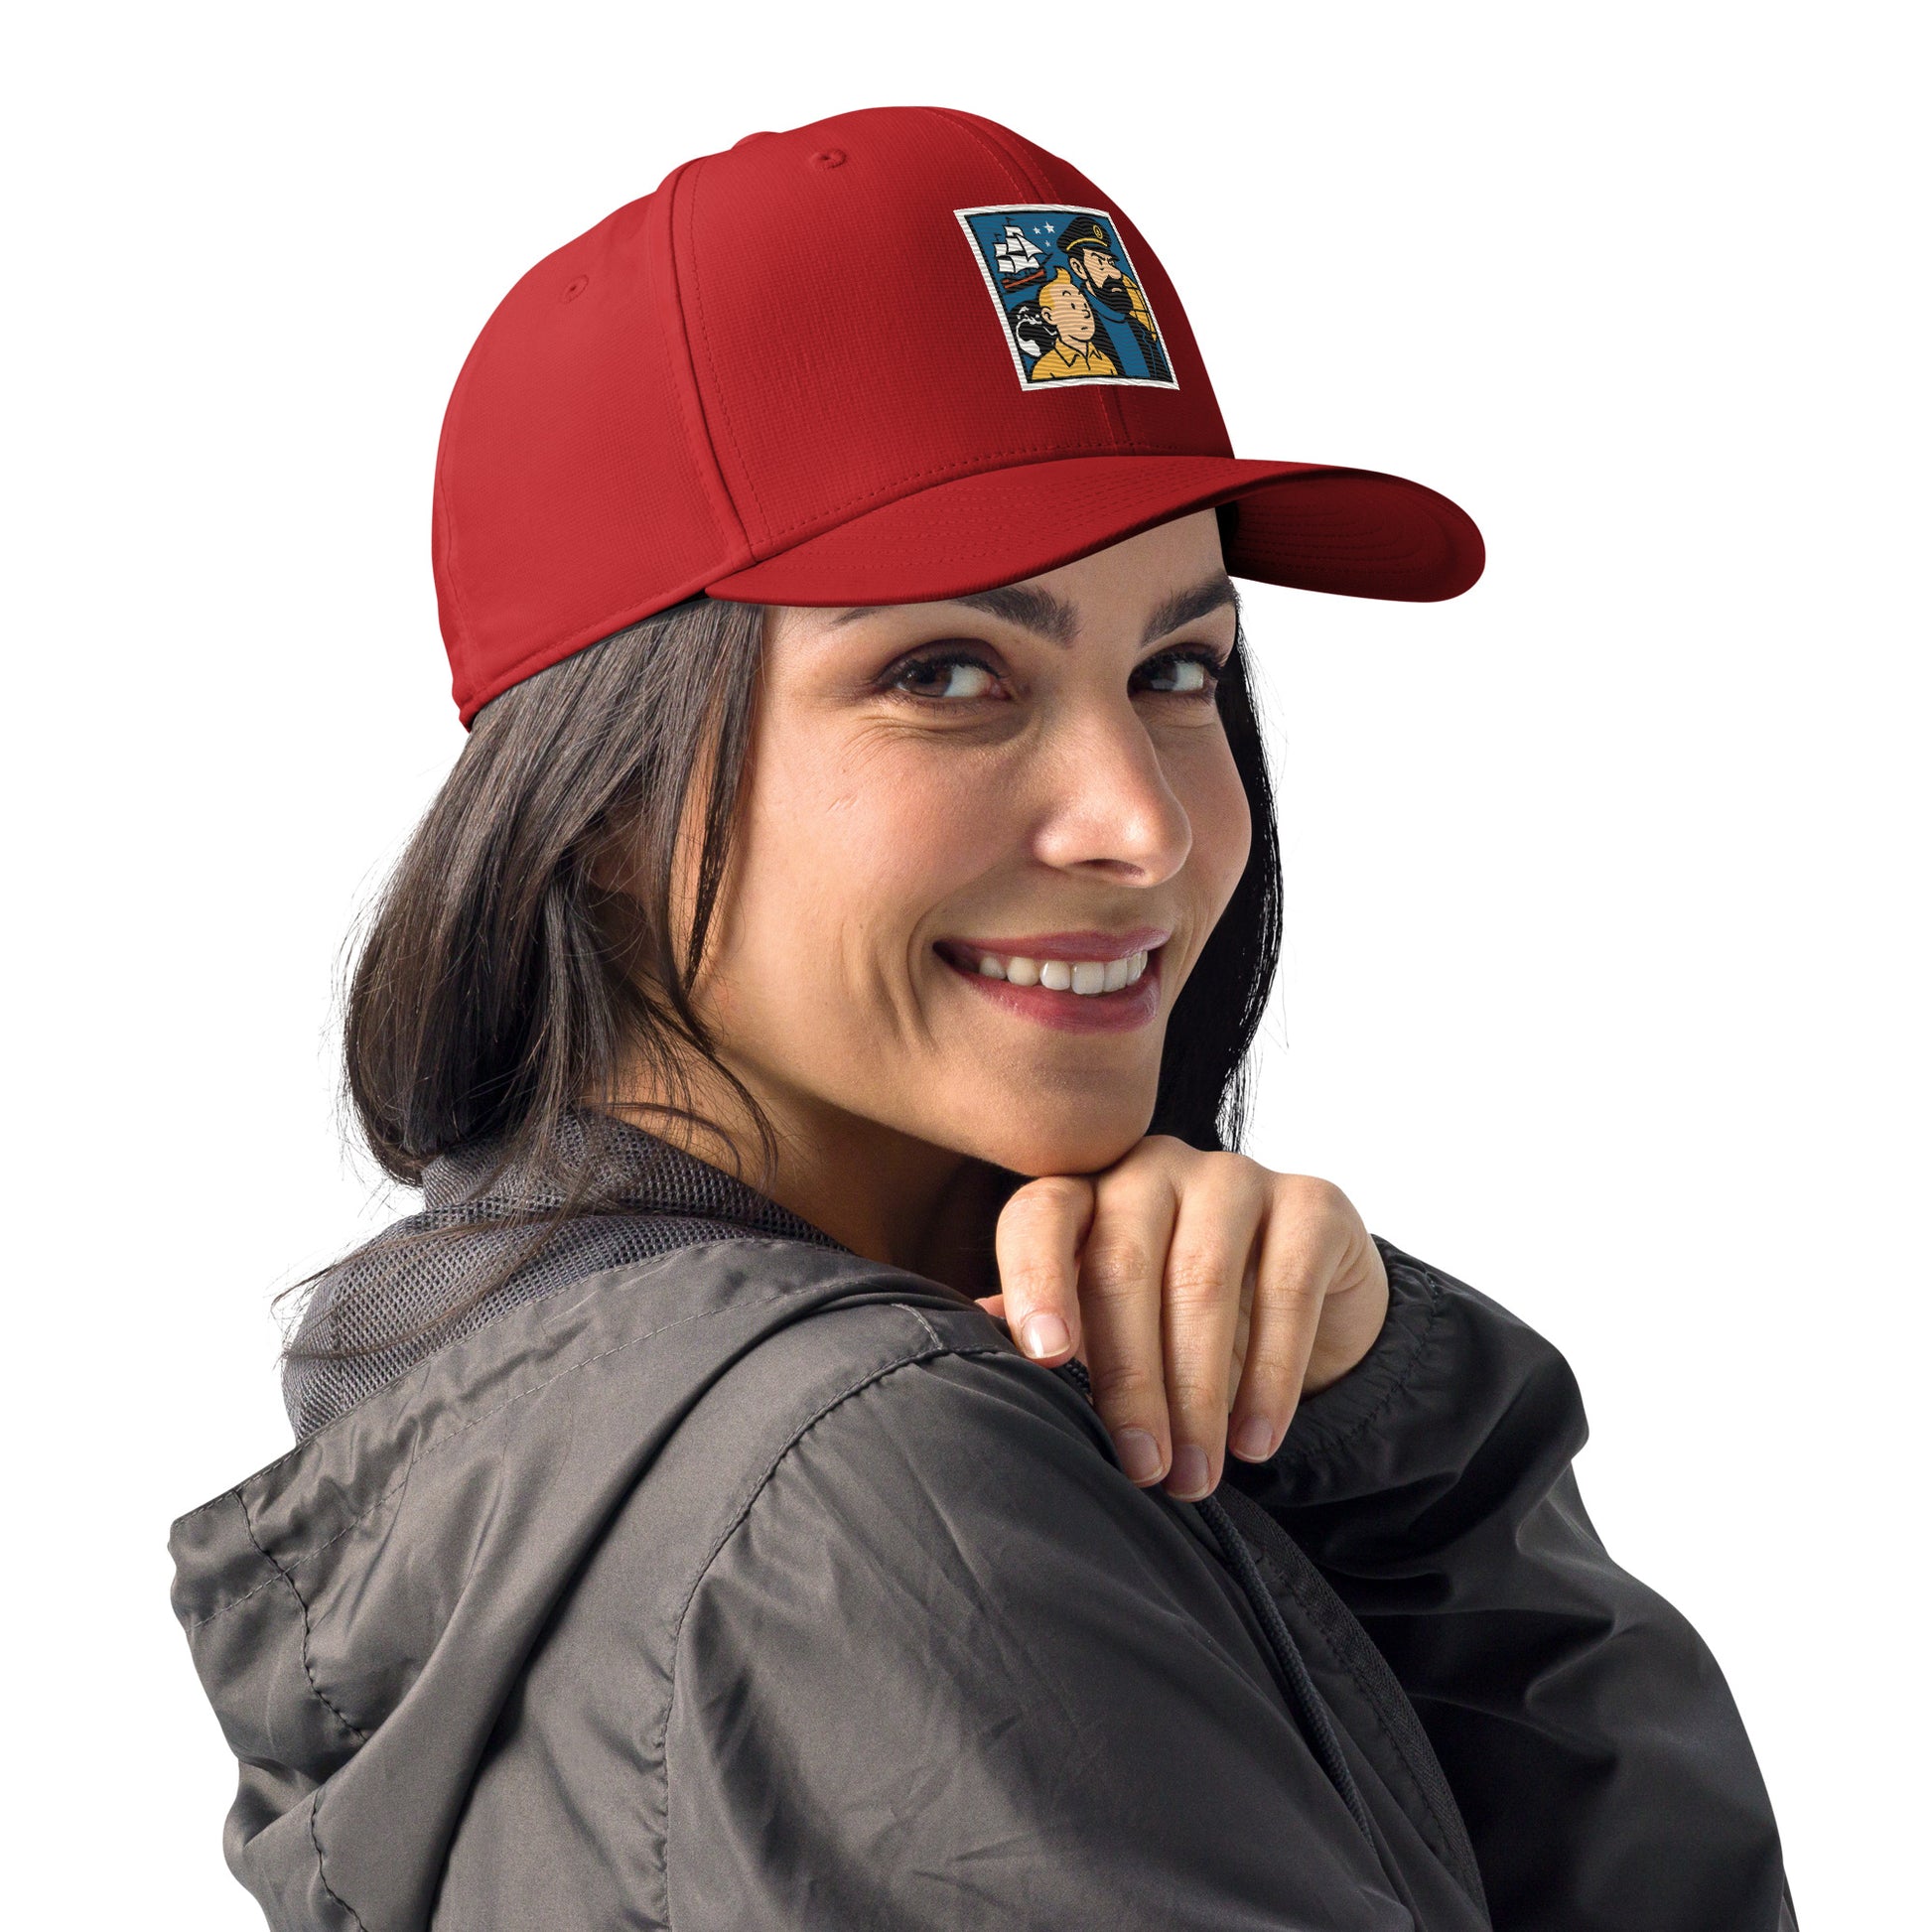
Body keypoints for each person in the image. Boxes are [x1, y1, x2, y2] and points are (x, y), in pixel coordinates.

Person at [168, 106, 1797, 1931]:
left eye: (1178, 670)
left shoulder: (579, 1445)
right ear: (601, 809)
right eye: (945, 674)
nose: (1146, 821)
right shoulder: (861, 1491)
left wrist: (1375, 1434)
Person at [1026, 266, 1122, 380]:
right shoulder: (1046, 369)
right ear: (1049, 316)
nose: (1086, 313)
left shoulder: (1105, 362)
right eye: (1073, 306)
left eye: (1085, 305)